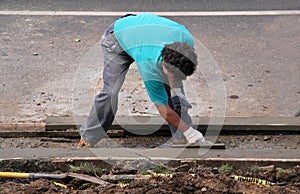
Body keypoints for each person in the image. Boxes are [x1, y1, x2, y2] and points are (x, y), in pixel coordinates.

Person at [78, 13, 206, 147]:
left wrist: (178, 94)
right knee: (110, 92)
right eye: (170, 74)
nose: (173, 79)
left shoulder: (186, 41)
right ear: (163, 62)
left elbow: (175, 75)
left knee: (178, 98)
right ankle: (88, 138)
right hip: (116, 37)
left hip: (139, 35)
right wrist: (190, 131)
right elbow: (163, 109)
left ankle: (181, 138)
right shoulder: (149, 65)